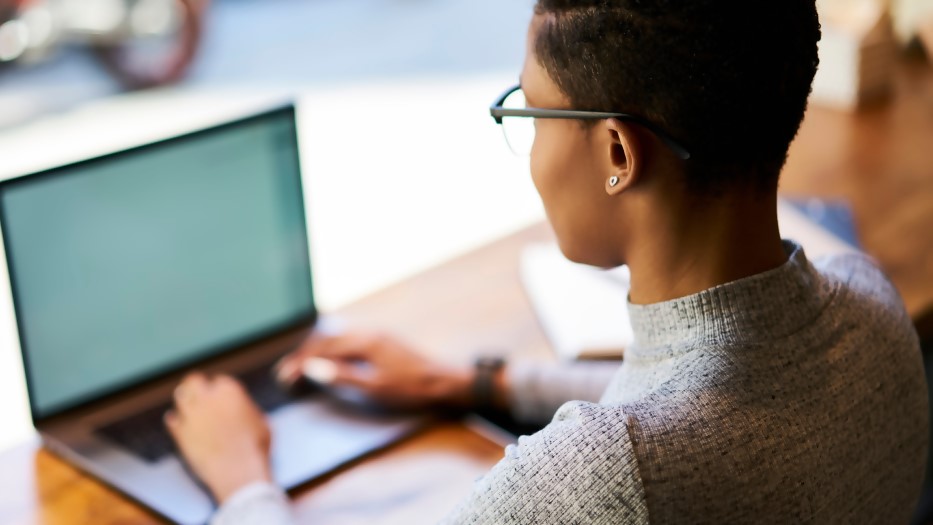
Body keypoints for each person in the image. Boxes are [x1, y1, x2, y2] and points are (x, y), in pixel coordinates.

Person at [163, 0, 930, 523]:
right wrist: (471, 382)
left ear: (617, 151)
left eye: (531, 111)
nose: (529, 149)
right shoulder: (872, 307)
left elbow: (658, 439)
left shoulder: (594, 478)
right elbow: (706, 400)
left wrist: (243, 478)